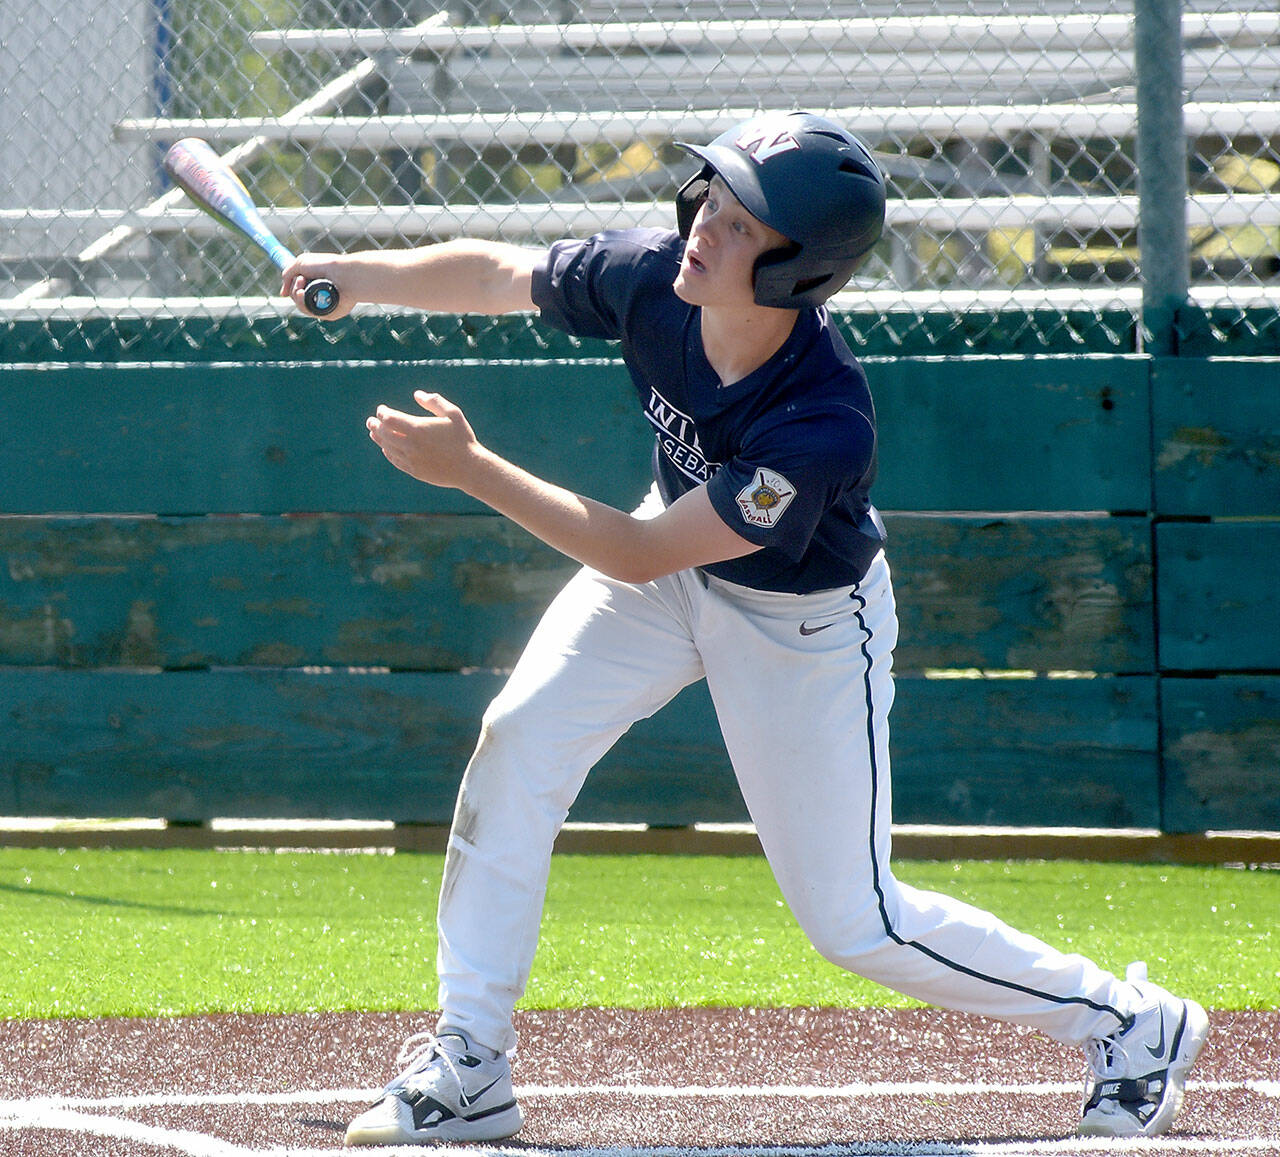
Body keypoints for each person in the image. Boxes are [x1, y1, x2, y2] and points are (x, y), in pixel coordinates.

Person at [282, 111, 1208, 1147]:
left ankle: (1130, 1022)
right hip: (667, 566)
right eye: (707, 206)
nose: (700, 233)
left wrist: (471, 469)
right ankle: (468, 1062)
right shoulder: (647, 281)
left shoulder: (819, 421)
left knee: (852, 921)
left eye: (736, 224)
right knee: (519, 737)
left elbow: (635, 554)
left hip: (798, 624)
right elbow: (502, 271)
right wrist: (358, 274)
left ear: (795, 269)